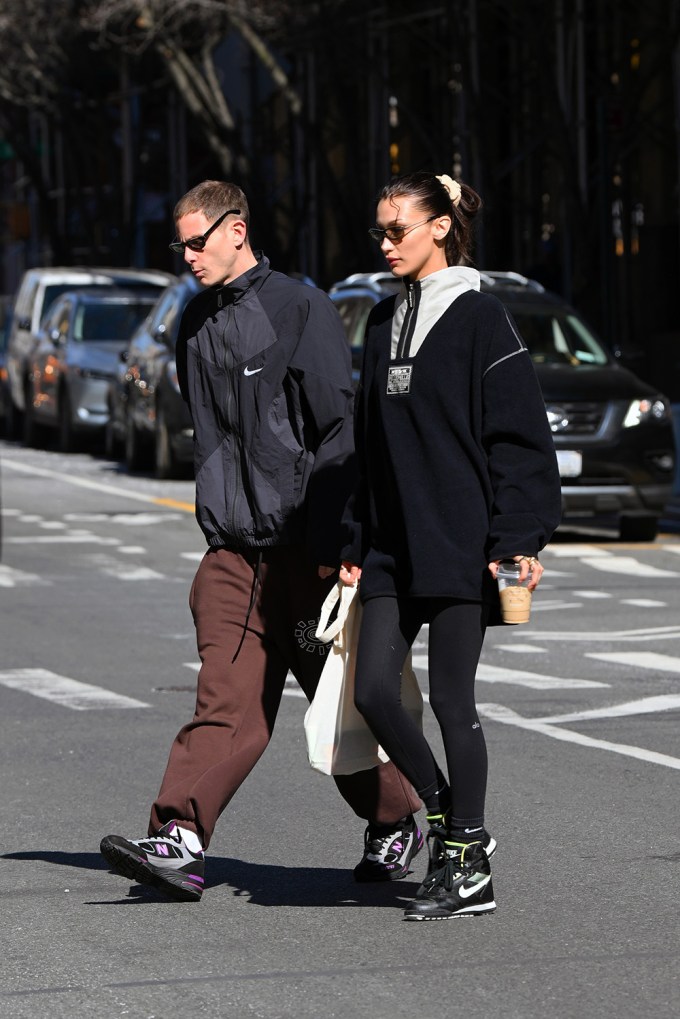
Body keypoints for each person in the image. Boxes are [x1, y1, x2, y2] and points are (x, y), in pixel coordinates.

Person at [100, 180, 422, 902]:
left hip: (305, 554)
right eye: (178, 243)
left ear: (236, 230)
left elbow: (339, 431)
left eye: (195, 240)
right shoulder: (193, 323)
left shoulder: (299, 308)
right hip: (231, 556)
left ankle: (398, 817)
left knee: (335, 706)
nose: (185, 255)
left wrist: (341, 537)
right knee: (226, 705)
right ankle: (178, 838)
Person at [339, 170, 562, 921]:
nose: (385, 242)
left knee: (451, 701)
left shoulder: (481, 318)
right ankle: (449, 819)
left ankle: (467, 866)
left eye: (397, 228)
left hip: (462, 544)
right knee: (373, 690)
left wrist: (520, 536)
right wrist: (354, 537)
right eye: (380, 230)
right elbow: (367, 447)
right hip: (392, 548)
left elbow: (519, 439)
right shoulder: (377, 322)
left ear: (439, 227)